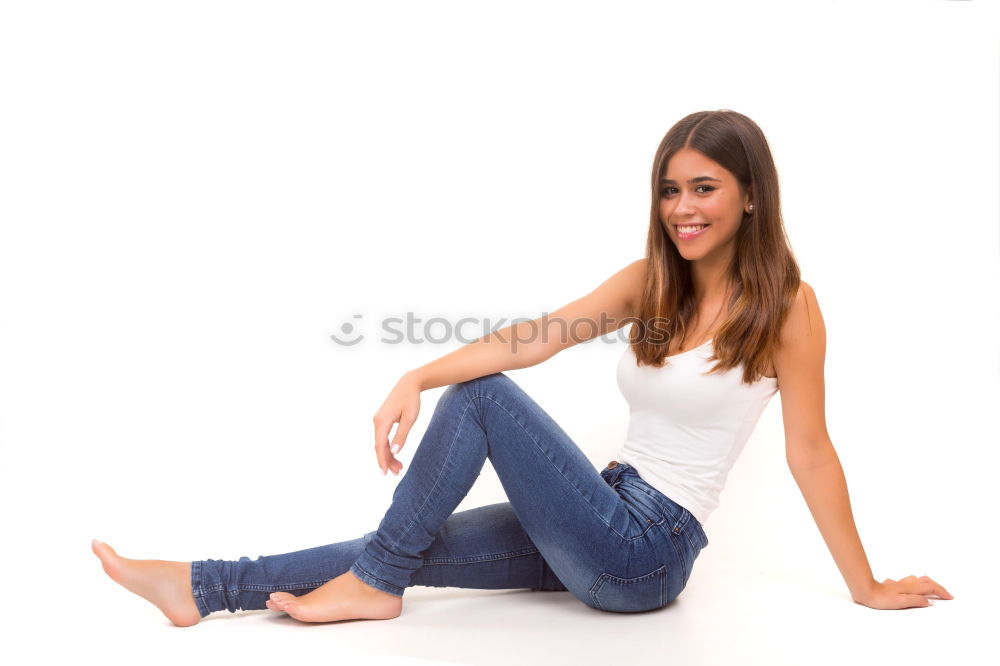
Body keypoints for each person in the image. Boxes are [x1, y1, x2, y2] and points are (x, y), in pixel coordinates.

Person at [92, 109, 952, 627]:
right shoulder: (651, 283)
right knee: (403, 543)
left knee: (478, 408)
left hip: (646, 555)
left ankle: (375, 587)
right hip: (596, 509)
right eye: (670, 189)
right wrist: (415, 374)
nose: (682, 208)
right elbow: (535, 336)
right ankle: (200, 587)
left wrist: (867, 586)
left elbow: (811, 453)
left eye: (705, 187)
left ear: (750, 195)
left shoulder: (790, 308)